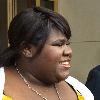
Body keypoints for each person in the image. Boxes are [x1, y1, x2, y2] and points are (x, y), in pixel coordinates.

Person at [0, 6, 94, 100]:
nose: (69, 51)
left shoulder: (80, 90)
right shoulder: (2, 87)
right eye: (59, 44)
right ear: (27, 49)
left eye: (67, 44)